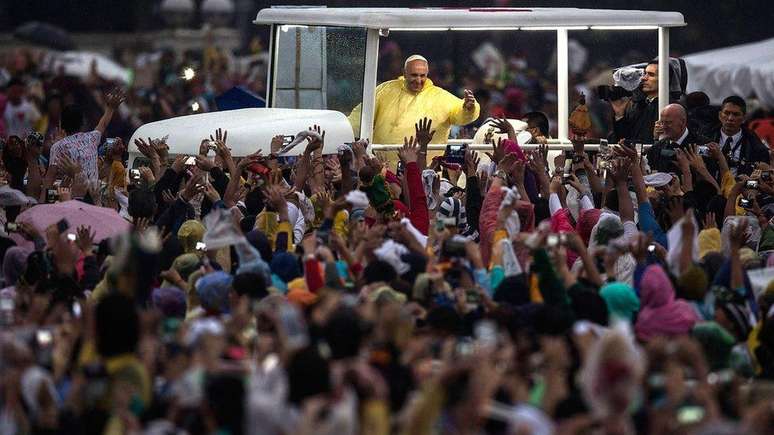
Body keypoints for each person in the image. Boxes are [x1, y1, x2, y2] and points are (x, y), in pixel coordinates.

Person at [348, 55, 480, 145]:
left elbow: (460, 115)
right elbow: (361, 115)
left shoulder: (440, 96)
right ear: (404, 73)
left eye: (422, 76)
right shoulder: (384, 90)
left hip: (426, 167)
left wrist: (468, 108)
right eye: (414, 75)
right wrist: (343, 131)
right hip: (384, 167)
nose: (418, 80)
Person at [48, 89, 125, 186]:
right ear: (82, 123)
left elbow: (49, 179)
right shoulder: (91, 138)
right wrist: (111, 107)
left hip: (68, 197)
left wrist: (42, 200)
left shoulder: (57, 147)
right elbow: (104, 123)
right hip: (93, 197)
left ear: (61, 124)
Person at [704, 95, 769, 174]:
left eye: (736, 114)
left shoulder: (755, 146)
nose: (730, 118)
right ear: (720, 115)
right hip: (710, 185)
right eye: (727, 113)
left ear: (744, 118)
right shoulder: (705, 138)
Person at [645, 103, 709, 174]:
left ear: (683, 122)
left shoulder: (702, 145)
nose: (664, 127)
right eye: (662, 122)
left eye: (668, 122)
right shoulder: (657, 148)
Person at [610, 61, 661, 144]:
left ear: (665, 78)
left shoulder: (671, 107)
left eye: (651, 75)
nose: (644, 78)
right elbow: (622, 140)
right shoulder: (638, 106)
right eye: (644, 74)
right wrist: (619, 115)